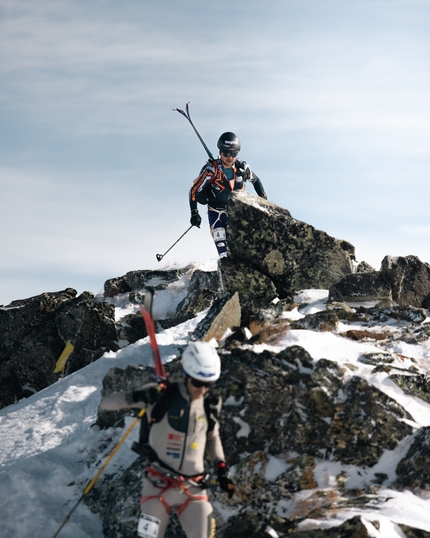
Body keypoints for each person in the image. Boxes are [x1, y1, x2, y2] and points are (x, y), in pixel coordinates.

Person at [100, 341, 234, 538]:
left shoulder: (210, 405)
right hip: (157, 487)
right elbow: (107, 404)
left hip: (193, 489)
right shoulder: (160, 395)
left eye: (208, 384)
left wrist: (221, 468)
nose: (202, 390)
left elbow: (212, 437)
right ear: (187, 374)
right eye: (197, 382)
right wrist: (139, 395)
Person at [189, 132, 267, 257]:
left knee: (242, 249)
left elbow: (256, 181)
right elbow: (194, 190)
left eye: (234, 154)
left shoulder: (242, 168)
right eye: (226, 153)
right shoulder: (211, 170)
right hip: (216, 213)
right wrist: (194, 213)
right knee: (223, 252)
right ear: (220, 152)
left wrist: (263, 200)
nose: (230, 157)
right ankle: (225, 271)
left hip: (236, 212)